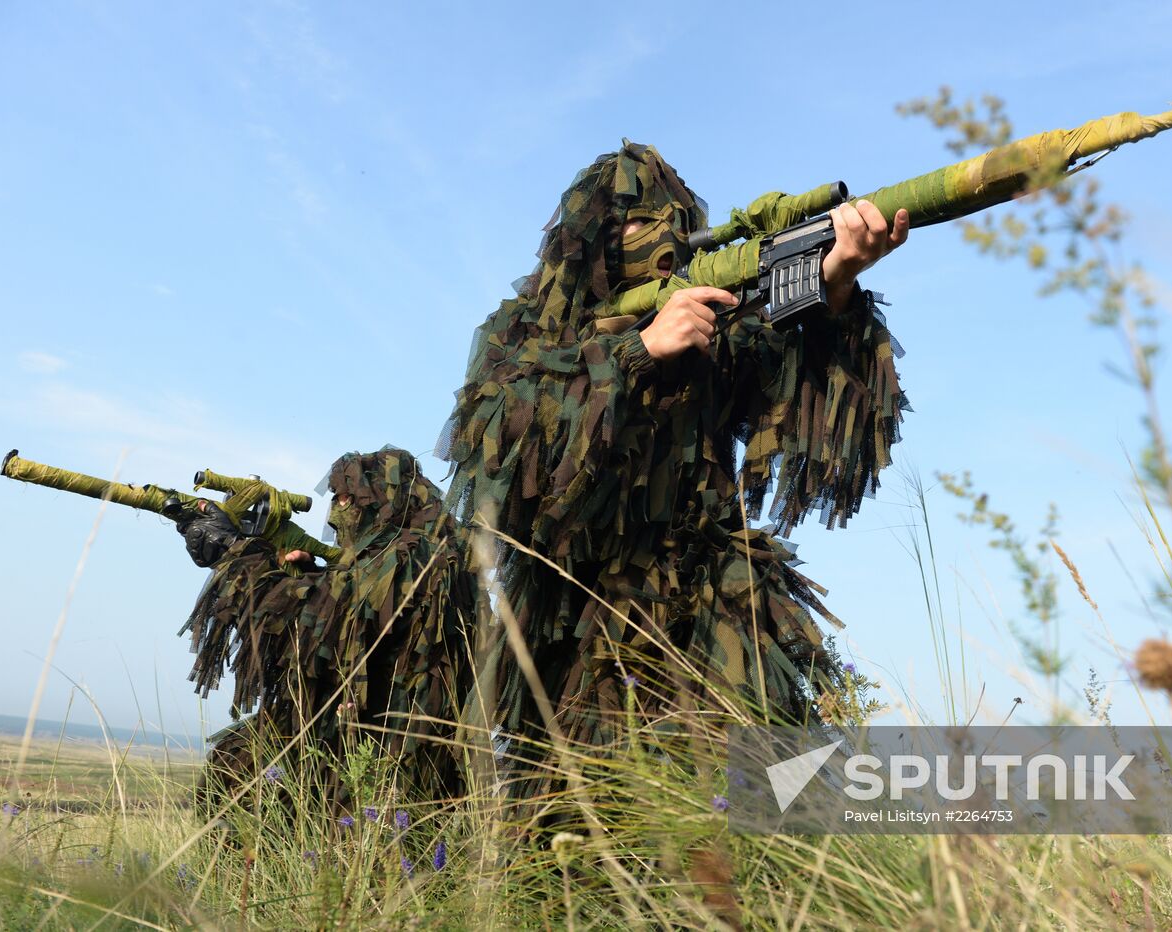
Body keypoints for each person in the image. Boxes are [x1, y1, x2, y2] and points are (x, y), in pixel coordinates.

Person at [437, 141, 910, 782]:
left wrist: (835, 290)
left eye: (673, 221)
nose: (660, 236)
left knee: (752, 807)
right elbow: (493, 444)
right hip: (580, 619)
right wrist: (637, 351)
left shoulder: (715, 325)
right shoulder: (525, 331)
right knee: (582, 823)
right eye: (636, 221)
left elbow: (811, 413)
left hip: (714, 599)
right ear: (592, 238)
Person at [183, 447, 482, 808]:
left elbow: (330, 623)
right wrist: (313, 575)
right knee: (238, 760)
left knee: (243, 775)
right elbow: (356, 611)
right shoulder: (438, 551)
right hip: (378, 747)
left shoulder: (415, 553)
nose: (339, 511)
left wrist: (236, 551)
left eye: (350, 498)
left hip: (378, 759)